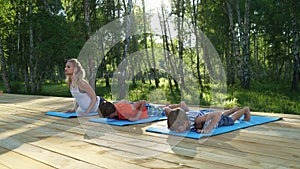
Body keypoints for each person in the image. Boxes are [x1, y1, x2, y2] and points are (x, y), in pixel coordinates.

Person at [167, 106, 251, 133]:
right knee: (223, 116)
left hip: (215, 120)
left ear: (185, 123)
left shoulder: (197, 120)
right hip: (208, 115)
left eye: (177, 129)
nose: (176, 131)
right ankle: (233, 109)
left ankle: (245, 110)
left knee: (230, 120)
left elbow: (217, 114)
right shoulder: (182, 118)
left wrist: (208, 129)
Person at [99, 100, 189, 121]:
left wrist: (137, 117)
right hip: (146, 108)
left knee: (164, 111)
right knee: (160, 108)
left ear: (111, 113)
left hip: (146, 110)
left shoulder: (126, 109)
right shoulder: (115, 109)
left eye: (108, 116)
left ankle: (181, 110)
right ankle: (180, 105)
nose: (108, 118)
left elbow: (142, 102)